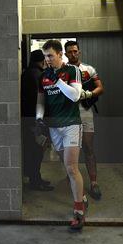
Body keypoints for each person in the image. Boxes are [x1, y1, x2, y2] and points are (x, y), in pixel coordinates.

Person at [35, 39, 86, 232]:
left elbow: (74, 95)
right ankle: (81, 196)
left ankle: (79, 212)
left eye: (50, 55)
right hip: (54, 127)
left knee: (72, 168)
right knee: (67, 167)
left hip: (71, 124)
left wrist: (57, 80)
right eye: (45, 56)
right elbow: (40, 101)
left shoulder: (72, 71)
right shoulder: (43, 77)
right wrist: (39, 118)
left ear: (59, 55)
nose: (47, 59)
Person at [65, 41, 104, 201]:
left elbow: (100, 87)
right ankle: (73, 177)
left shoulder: (89, 69)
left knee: (88, 147)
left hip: (85, 113)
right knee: (70, 150)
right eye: (70, 52)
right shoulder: (62, 71)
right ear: (65, 54)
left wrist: (88, 94)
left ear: (79, 52)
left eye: (75, 51)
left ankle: (94, 182)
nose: (73, 54)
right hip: (68, 114)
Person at [21, 50, 54, 191]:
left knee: (32, 150)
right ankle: (35, 181)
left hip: (28, 119)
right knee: (37, 151)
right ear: (42, 61)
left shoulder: (26, 73)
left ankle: (35, 178)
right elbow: (40, 100)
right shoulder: (38, 75)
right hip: (37, 121)